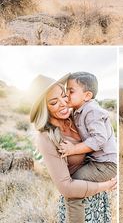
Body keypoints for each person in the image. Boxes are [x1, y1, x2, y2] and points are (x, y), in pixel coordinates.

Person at [30, 75, 116, 223]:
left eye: (64, 96)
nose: (64, 103)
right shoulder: (45, 138)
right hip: (79, 203)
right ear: (43, 108)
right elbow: (66, 187)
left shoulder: (76, 117)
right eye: (54, 102)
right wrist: (105, 185)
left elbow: (102, 136)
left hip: (97, 197)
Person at [58, 72, 117, 223]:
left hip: (105, 164)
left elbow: (99, 139)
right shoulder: (78, 110)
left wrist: (72, 150)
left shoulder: (92, 110)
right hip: (97, 163)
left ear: (87, 95)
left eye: (71, 91)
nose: (67, 95)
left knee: (73, 187)